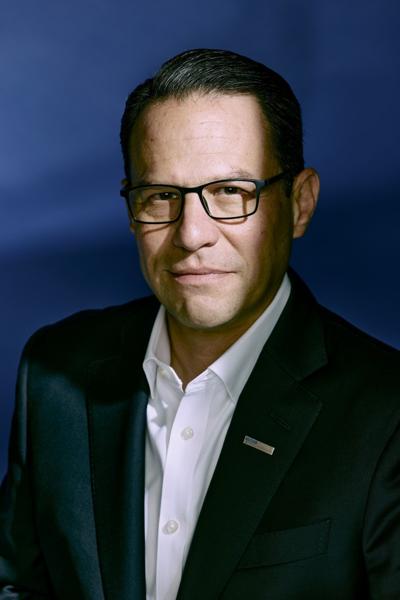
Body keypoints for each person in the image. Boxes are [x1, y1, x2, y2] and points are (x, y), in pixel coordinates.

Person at [0, 48, 399, 600]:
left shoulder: (385, 410)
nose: (192, 235)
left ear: (300, 204)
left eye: (230, 192)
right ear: (131, 209)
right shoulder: (56, 374)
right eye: (162, 196)